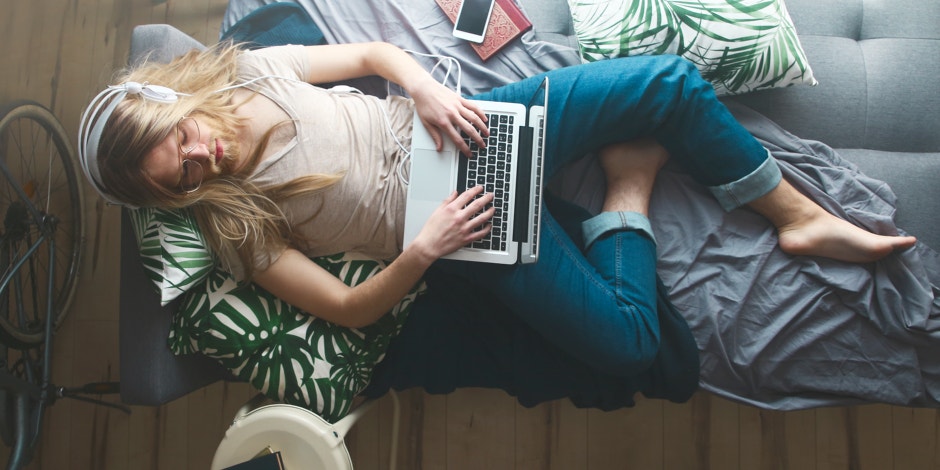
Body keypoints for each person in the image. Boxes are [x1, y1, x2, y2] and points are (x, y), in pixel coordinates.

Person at [78, 42, 916, 407]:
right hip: (462, 229)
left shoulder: (251, 74)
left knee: (670, 82)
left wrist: (425, 89)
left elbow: (372, 57)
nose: (203, 155)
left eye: (180, 137)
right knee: (630, 346)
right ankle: (628, 192)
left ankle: (799, 218)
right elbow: (345, 309)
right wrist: (425, 250)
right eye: (183, 177)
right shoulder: (237, 231)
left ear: (168, 101)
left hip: (470, 124)